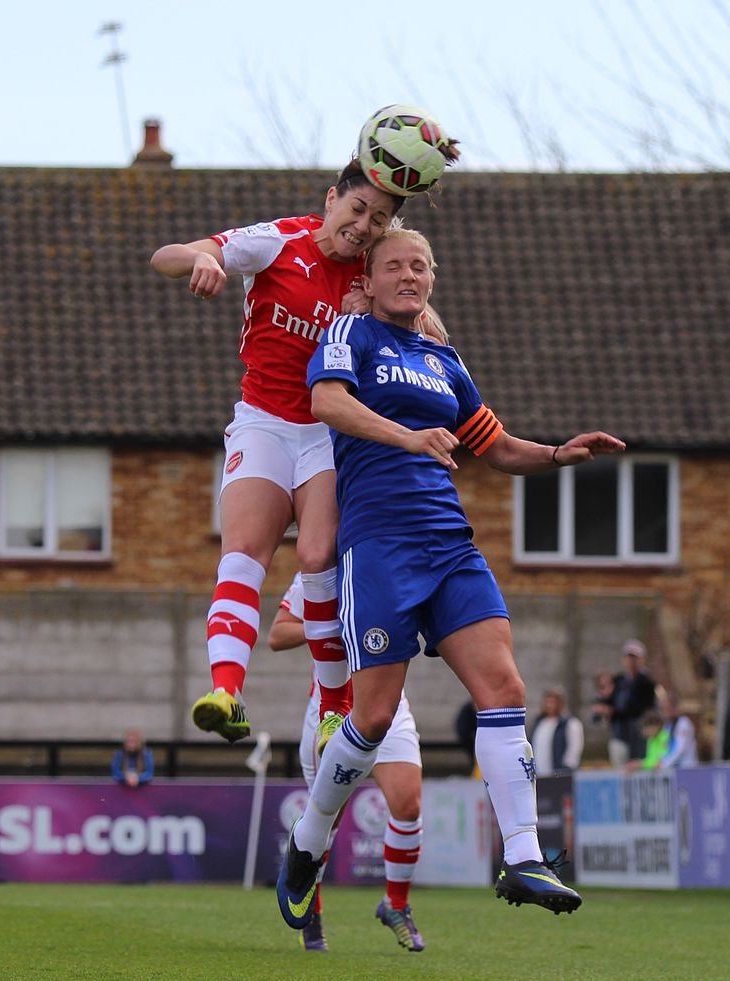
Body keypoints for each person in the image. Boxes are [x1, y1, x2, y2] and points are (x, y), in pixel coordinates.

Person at [277, 224, 624, 928]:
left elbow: (491, 444)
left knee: (506, 686)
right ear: (368, 280)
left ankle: (524, 854)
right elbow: (327, 403)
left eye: (420, 267)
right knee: (371, 717)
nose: (409, 275)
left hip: (449, 545)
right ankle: (310, 838)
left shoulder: (444, 359)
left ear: (433, 280)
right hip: (377, 546)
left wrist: (558, 453)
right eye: (394, 266)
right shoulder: (350, 333)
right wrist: (408, 436)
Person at [149, 155, 439, 744]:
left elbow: (431, 333)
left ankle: (334, 707)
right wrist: (203, 257)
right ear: (333, 199)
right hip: (262, 424)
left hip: (329, 433)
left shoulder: (372, 273)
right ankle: (226, 692)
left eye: (378, 219)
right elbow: (166, 255)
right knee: (244, 552)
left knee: (316, 557)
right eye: (357, 209)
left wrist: (389, 318)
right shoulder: (278, 242)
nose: (363, 226)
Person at [269, 572, 425, 953]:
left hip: (389, 706)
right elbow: (277, 634)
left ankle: (396, 905)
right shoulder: (321, 570)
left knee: (408, 805)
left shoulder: (397, 557)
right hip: (331, 711)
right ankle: (312, 914)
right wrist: (329, 625)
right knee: (326, 819)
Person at [605, 640, 657, 765]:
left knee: (636, 767)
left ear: (642, 659)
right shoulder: (618, 681)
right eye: (628, 657)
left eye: (635, 658)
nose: (631, 661)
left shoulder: (647, 682)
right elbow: (609, 701)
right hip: (619, 734)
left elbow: (641, 708)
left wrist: (614, 711)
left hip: (639, 735)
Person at [530, 687, 585, 776]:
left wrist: (567, 768)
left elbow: (574, 748)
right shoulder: (539, 722)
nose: (549, 705)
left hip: (559, 772)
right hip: (540, 771)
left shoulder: (569, 723)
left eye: (553, 702)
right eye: (547, 702)